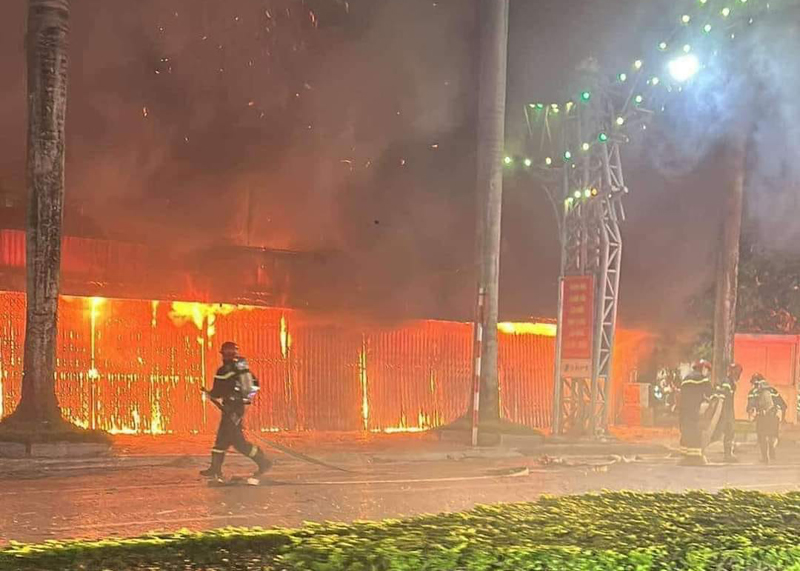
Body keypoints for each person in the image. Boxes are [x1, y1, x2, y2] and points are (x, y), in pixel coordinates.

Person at [200, 341, 271, 480]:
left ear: (223, 354)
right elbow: (255, 386)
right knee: (224, 439)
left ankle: (263, 461)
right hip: (237, 408)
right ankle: (215, 468)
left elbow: (218, 392)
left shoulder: (223, 371)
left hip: (230, 409)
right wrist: (245, 399)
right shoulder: (242, 370)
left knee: (237, 442)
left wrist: (209, 394)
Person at [746, 373, 788, 464]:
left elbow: (750, 407)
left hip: (761, 417)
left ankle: (765, 457)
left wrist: (751, 416)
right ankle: (771, 449)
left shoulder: (753, 392)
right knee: (772, 436)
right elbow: (783, 405)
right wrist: (783, 418)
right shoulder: (773, 390)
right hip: (773, 417)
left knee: (762, 437)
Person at [679, 359, 713, 465]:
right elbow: (710, 393)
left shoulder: (686, 378)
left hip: (684, 410)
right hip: (693, 409)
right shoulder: (702, 379)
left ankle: (685, 456)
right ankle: (695, 457)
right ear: (703, 368)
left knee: (686, 431)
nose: (707, 373)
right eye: (707, 370)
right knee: (694, 432)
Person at [710, 363, 743, 462]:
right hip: (724, 411)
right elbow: (723, 392)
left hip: (727, 410)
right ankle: (700, 447)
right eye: (737, 372)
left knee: (729, 431)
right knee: (718, 432)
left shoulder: (730, 382)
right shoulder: (727, 381)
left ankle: (728, 454)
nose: (738, 375)